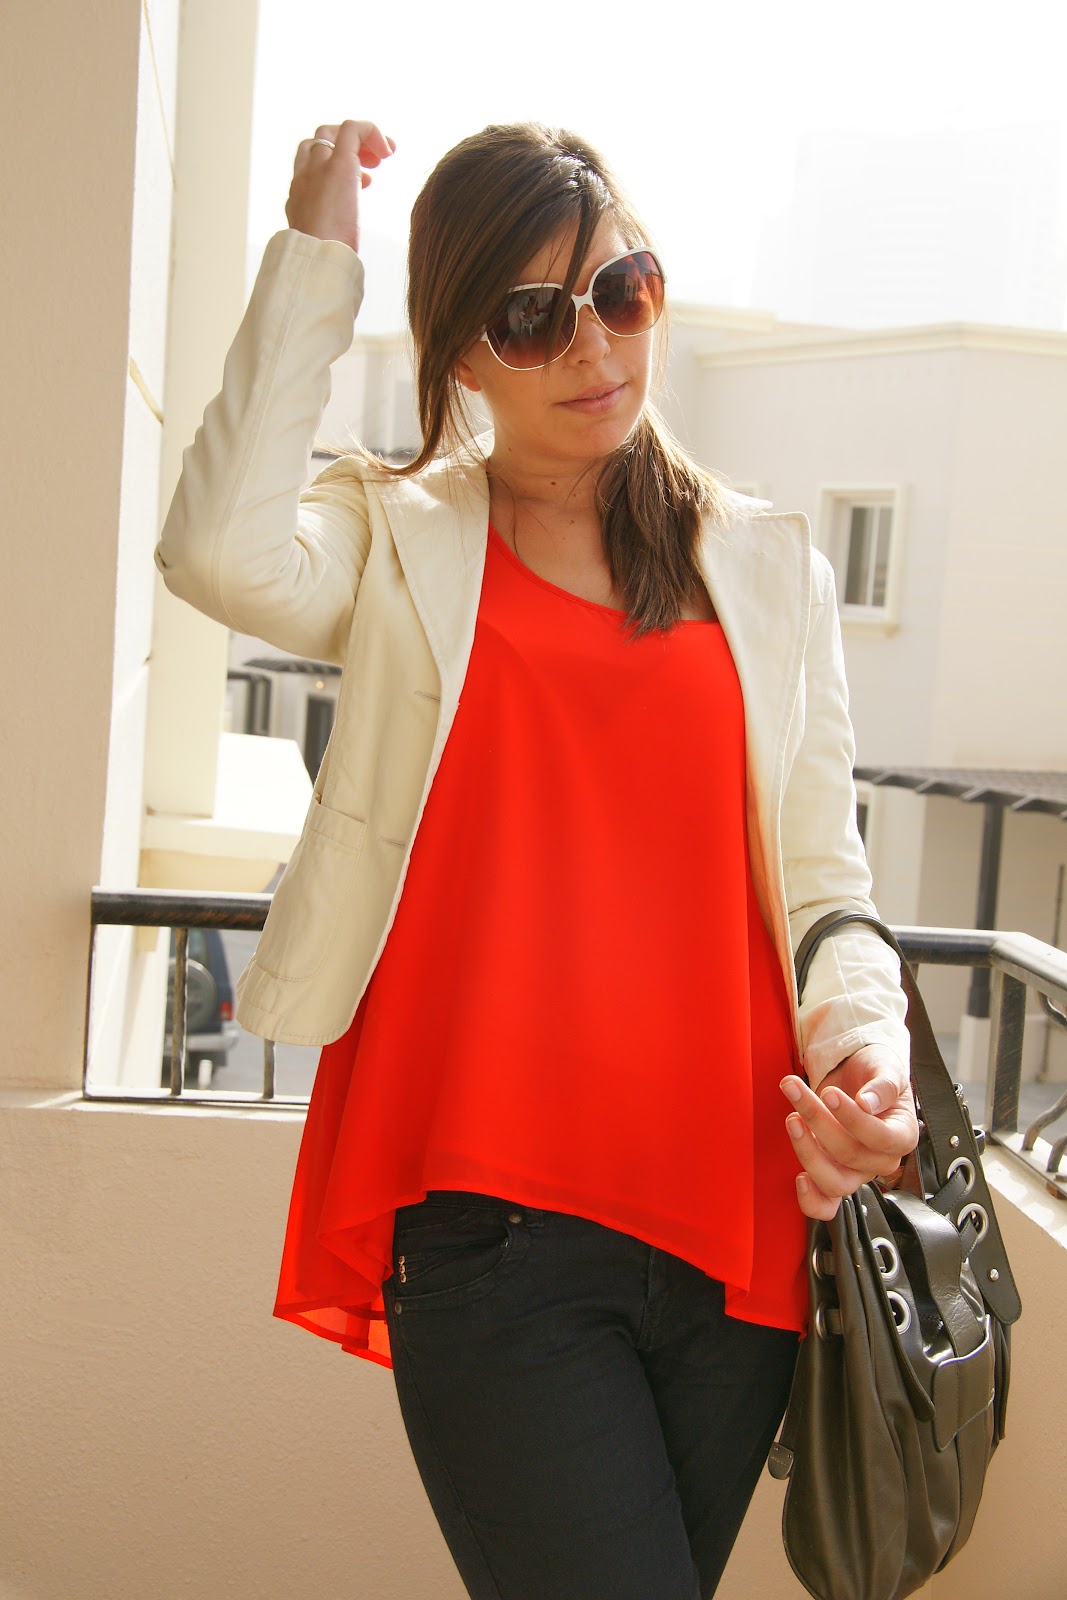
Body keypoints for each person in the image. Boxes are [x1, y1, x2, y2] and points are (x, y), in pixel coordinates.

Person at [156, 118, 919, 1600]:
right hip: (495, 1226)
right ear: (460, 350)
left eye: (621, 291)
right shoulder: (401, 539)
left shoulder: (771, 568)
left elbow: (828, 886)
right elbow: (217, 555)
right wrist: (316, 253)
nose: (594, 345)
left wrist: (866, 1053)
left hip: (742, 1233)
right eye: (531, 316)